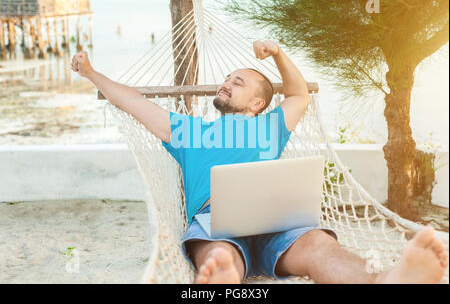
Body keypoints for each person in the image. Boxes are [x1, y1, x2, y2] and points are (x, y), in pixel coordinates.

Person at [71, 40, 448, 284]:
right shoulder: (186, 130)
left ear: (257, 104)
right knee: (220, 256)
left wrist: (279, 54)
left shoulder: (271, 127)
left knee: (319, 246)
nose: (226, 83)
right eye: (226, 78)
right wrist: (90, 74)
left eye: (238, 82)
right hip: (215, 217)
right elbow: (132, 102)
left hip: (277, 218)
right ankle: (222, 277)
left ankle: (385, 281)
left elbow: (298, 94)